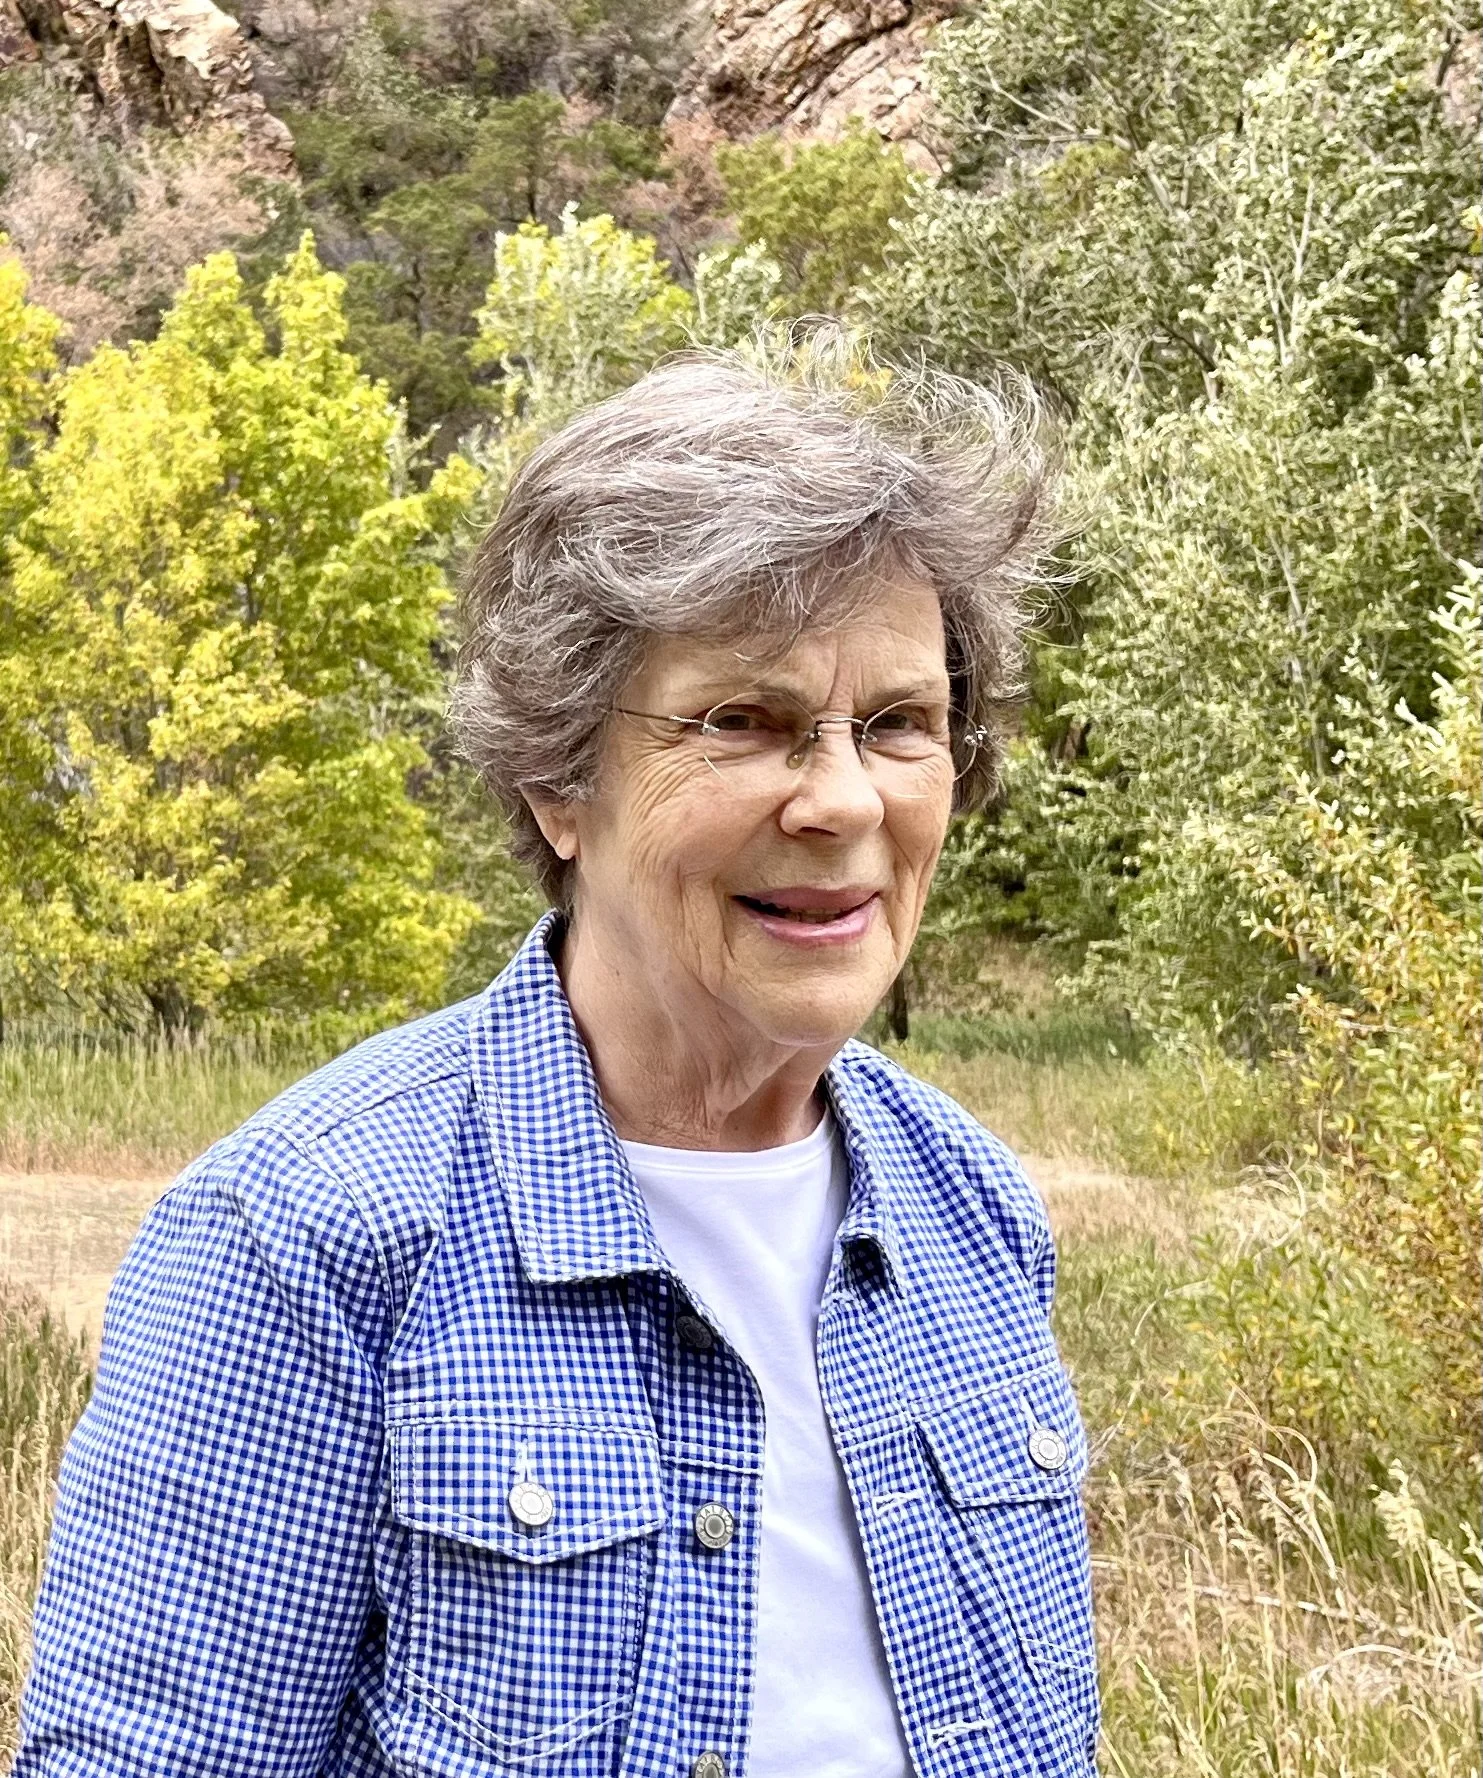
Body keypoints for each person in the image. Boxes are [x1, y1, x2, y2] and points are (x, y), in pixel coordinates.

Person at [15, 339, 1099, 1777]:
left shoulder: (973, 1208)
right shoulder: (299, 1244)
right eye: (743, 722)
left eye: (896, 723)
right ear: (557, 780)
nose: (842, 799)